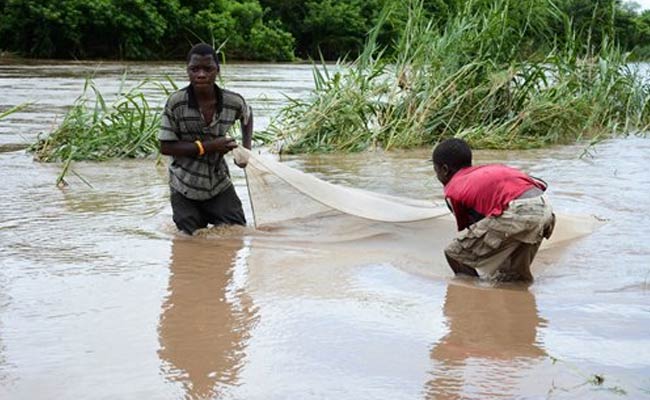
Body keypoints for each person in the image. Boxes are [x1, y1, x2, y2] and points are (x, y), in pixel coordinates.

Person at [159, 43, 253, 235]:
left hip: (218, 182)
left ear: (217, 71)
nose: (201, 75)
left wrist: (245, 150)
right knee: (190, 238)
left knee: (236, 231)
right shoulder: (176, 103)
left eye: (207, 69)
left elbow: (248, 116)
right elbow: (166, 147)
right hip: (184, 184)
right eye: (195, 69)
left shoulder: (232, 101)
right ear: (188, 71)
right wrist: (208, 147)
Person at [431, 138, 555, 282]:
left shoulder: (452, 189)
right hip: (544, 207)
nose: (437, 175)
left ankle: (471, 298)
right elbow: (539, 184)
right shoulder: (486, 170)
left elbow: (474, 226)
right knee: (511, 276)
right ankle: (518, 298)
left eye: (436, 170)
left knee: (456, 254)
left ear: (445, 170)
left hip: (520, 210)